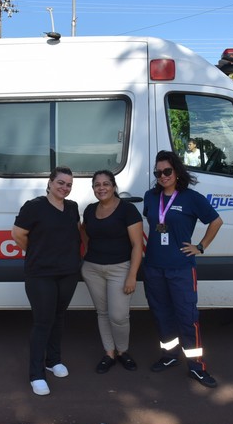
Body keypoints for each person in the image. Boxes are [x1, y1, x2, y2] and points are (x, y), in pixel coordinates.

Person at [142, 150, 223, 388]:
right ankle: (169, 356)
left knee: (188, 318)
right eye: (158, 173)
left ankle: (196, 367)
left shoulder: (191, 198)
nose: (163, 176)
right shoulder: (150, 197)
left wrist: (200, 246)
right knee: (162, 315)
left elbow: (216, 221)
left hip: (181, 269)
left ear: (177, 172)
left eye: (167, 171)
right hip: (154, 268)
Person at [12, 166, 81, 396]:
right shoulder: (34, 207)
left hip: (68, 273)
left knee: (59, 317)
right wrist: (37, 253)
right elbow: (18, 234)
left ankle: (53, 361)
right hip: (40, 274)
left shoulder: (72, 208)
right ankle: (36, 374)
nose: (65, 187)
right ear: (50, 183)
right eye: (61, 182)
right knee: (43, 322)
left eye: (69, 184)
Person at [81, 170, 144, 374]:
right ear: (93, 188)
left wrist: (132, 275)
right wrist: (90, 254)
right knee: (102, 312)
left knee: (118, 316)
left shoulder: (128, 210)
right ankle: (109, 353)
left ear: (114, 187)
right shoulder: (90, 210)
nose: (102, 188)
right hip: (92, 269)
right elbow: (84, 233)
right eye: (97, 185)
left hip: (120, 269)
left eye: (106, 184)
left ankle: (122, 351)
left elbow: (137, 245)